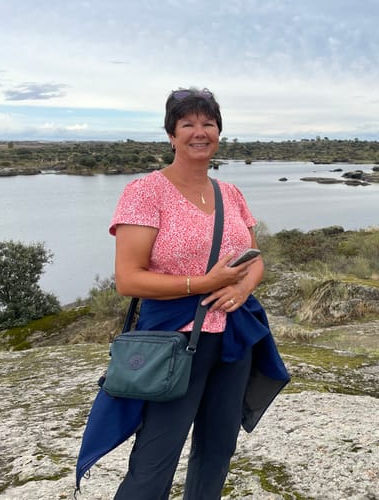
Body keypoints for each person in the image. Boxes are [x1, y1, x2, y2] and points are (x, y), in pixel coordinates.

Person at [75, 87, 289, 499]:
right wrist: (202, 284)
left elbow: (254, 258)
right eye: (187, 123)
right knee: (155, 459)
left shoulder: (231, 194)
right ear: (171, 135)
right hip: (174, 343)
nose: (199, 131)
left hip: (232, 340)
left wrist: (243, 288)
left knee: (217, 450)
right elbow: (129, 279)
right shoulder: (145, 192)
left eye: (208, 123)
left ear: (219, 133)